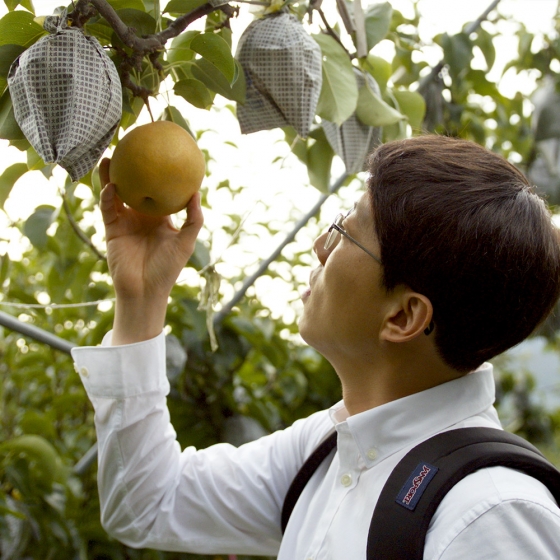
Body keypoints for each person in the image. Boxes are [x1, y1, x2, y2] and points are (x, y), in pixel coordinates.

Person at [72, 135, 560, 559]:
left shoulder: (490, 514)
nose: (320, 245)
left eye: (347, 230)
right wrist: (141, 298)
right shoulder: (328, 450)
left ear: (403, 316)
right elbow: (148, 504)